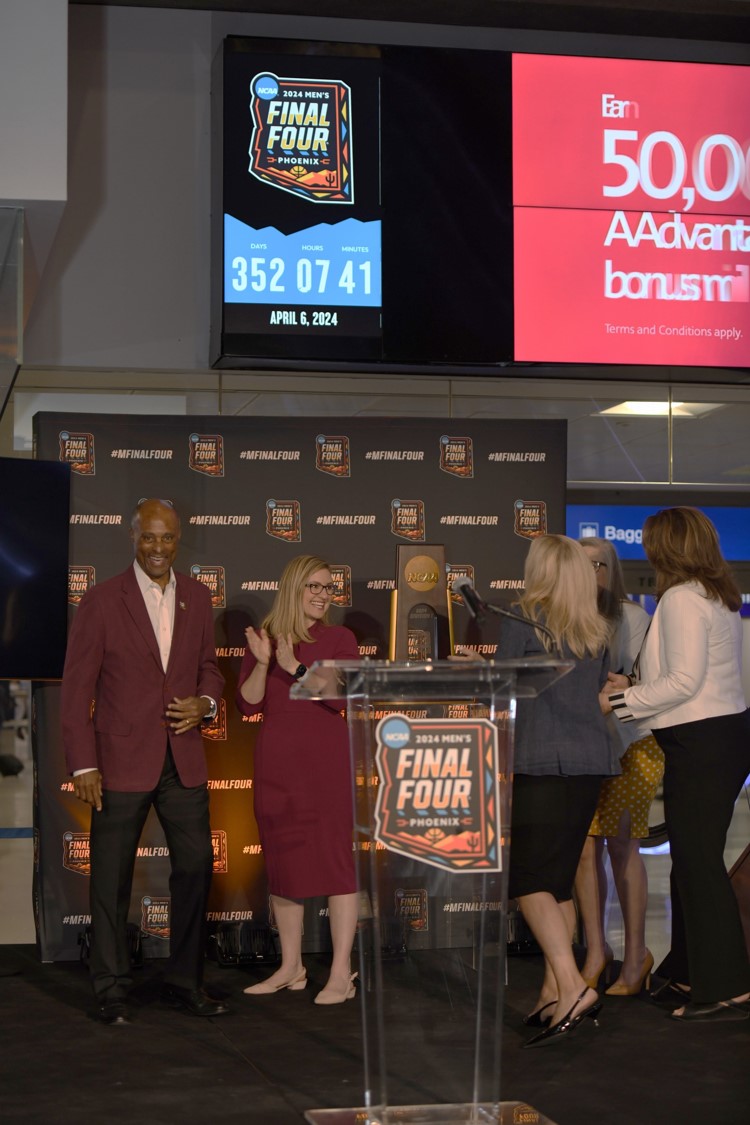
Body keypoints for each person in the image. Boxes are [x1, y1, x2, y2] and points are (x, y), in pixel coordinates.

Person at [61, 498, 226, 1025]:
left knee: (197, 865)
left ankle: (184, 981)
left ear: (180, 540)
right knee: (110, 878)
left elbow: (208, 670)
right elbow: (75, 691)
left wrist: (206, 703)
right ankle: (110, 986)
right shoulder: (102, 600)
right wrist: (84, 765)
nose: (158, 547)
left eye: (168, 538)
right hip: (118, 760)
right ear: (133, 537)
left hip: (183, 759)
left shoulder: (198, 597)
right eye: (149, 537)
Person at [458, 535, 620, 1047]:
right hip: (589, 765)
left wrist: (475, 671)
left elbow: (505, 688)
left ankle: (572, 987)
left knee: (528, 881)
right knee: (556, 882)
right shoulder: (595, 626)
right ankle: (553, 992)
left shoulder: (523, 617)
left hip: (543, 763)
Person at [602, 507, 750, 1022]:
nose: (643, 547)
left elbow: (685, 683)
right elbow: (690, 679)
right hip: (718, 738)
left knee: (699, 863)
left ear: (664, 545)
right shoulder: (715, 596)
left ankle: (729, 988)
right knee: (691, 861)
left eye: (647, 539)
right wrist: (637, 689)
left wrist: (619, 703)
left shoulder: (683, 598)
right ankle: (689, 972)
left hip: (703, 743)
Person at [236, 554, 360, 1005]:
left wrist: (294, 667)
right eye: (314, 586)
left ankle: (343, 972)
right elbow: (248, 705)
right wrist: (265, 661)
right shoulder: (265, 638)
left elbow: (344, 698)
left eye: (328, 588)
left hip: (325, 766)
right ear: (292, 587)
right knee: (284, 865)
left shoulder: (341, 637)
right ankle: (291, 966)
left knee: (336, 865)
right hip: (277, 768)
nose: (322, 595)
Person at [574, 537, 663, 996]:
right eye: (582, 564)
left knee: (622, 847)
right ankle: (595, 951)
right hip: (578, 748)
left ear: (612, 570)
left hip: (632, 744)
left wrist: (628, 682)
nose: (591, 573)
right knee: (584, 848)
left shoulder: (636, 618)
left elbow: (662, 681)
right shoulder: (563, 618)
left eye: (599, 565)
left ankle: (635, 956)